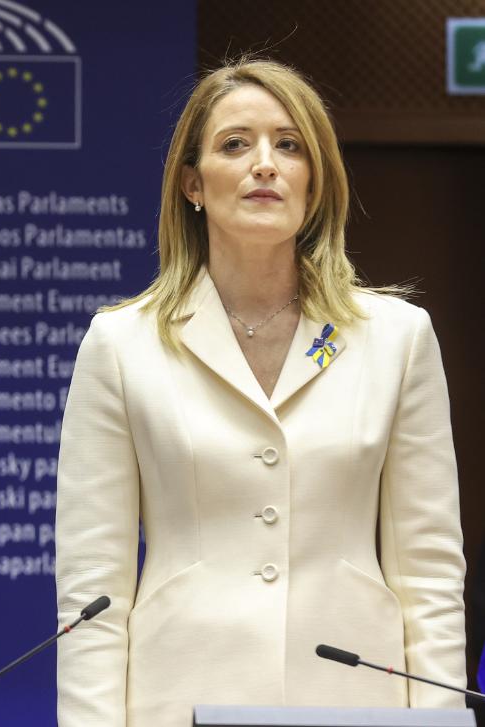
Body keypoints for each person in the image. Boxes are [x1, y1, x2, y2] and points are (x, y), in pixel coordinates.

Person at [55, 59, 466, 726]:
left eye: (290, 144)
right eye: (235, 144)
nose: (265, 164)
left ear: (315, 179)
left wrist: (441, 717)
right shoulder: (120, 344)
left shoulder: (397, 338)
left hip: (354, 700)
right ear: (192, 182)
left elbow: (430, 574)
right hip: (174, 697)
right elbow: (90, 590)